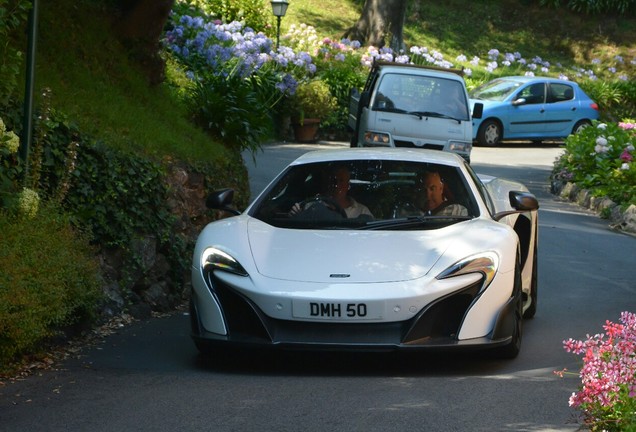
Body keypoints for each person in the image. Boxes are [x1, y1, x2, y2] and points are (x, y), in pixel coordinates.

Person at [290, 165, 373, 219]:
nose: (336, 184)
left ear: (348, 185)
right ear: (327, 183)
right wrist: (295, 215)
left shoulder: (362, 211)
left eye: (341, 180)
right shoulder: (312, 206)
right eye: (333, 180)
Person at [399, 171, 468, 217]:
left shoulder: (456, 211)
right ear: (417, 192)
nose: (428, 195)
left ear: (441, 189)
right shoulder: (407, 213)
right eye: (423, 190)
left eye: (432, 189)